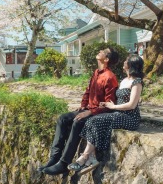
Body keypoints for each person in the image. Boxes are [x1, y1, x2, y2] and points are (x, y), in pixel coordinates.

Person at [39, 47, 119, 175]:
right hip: (89, 109)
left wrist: (89, 112)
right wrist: (83, 106)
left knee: (78, 121)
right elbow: (88, 91)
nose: (99, 51)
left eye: (102, 51)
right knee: (63, 118)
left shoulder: (110, 77)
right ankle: (54, 158)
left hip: (99, 113)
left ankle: (63, 163)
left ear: (107, 59)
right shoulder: (96, 73)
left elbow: (109, 105)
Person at [68, 54, 144, 173]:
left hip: (129, 117)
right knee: (91, 120)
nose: (123, 63)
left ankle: (84, 158)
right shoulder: (124, 80)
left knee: (96, 121)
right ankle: (91, 157)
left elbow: (132, 105)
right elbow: (117, 99)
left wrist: (113, 106)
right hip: (118, 113)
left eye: (126, 61)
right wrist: (107, 104)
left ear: (131, 64)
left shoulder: (137, 82)